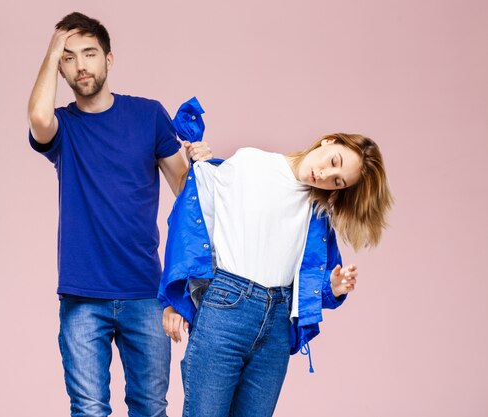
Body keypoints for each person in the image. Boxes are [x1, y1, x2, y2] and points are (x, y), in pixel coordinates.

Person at [27, 13, 212, 417]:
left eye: (89, 54)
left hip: (145, 291)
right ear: (60, 68)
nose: (81, 66)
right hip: (82, 296)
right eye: (69, 58)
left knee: (149, 408)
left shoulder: (148, 116)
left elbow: (184, 190)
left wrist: (196, 166)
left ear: (109, 60)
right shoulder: (64, 128)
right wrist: (51, 48)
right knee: (89, 410)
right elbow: (38, 119)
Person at [159, 99, 392, 417]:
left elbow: (314, 282)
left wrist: (335, 286)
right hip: (226, 309)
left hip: (277, 325)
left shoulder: (316, 213)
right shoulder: (252, 163)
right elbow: (196, 215)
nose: (325, 174)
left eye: (338, 181)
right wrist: (176, 302)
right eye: (333, 160)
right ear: (328, 141)